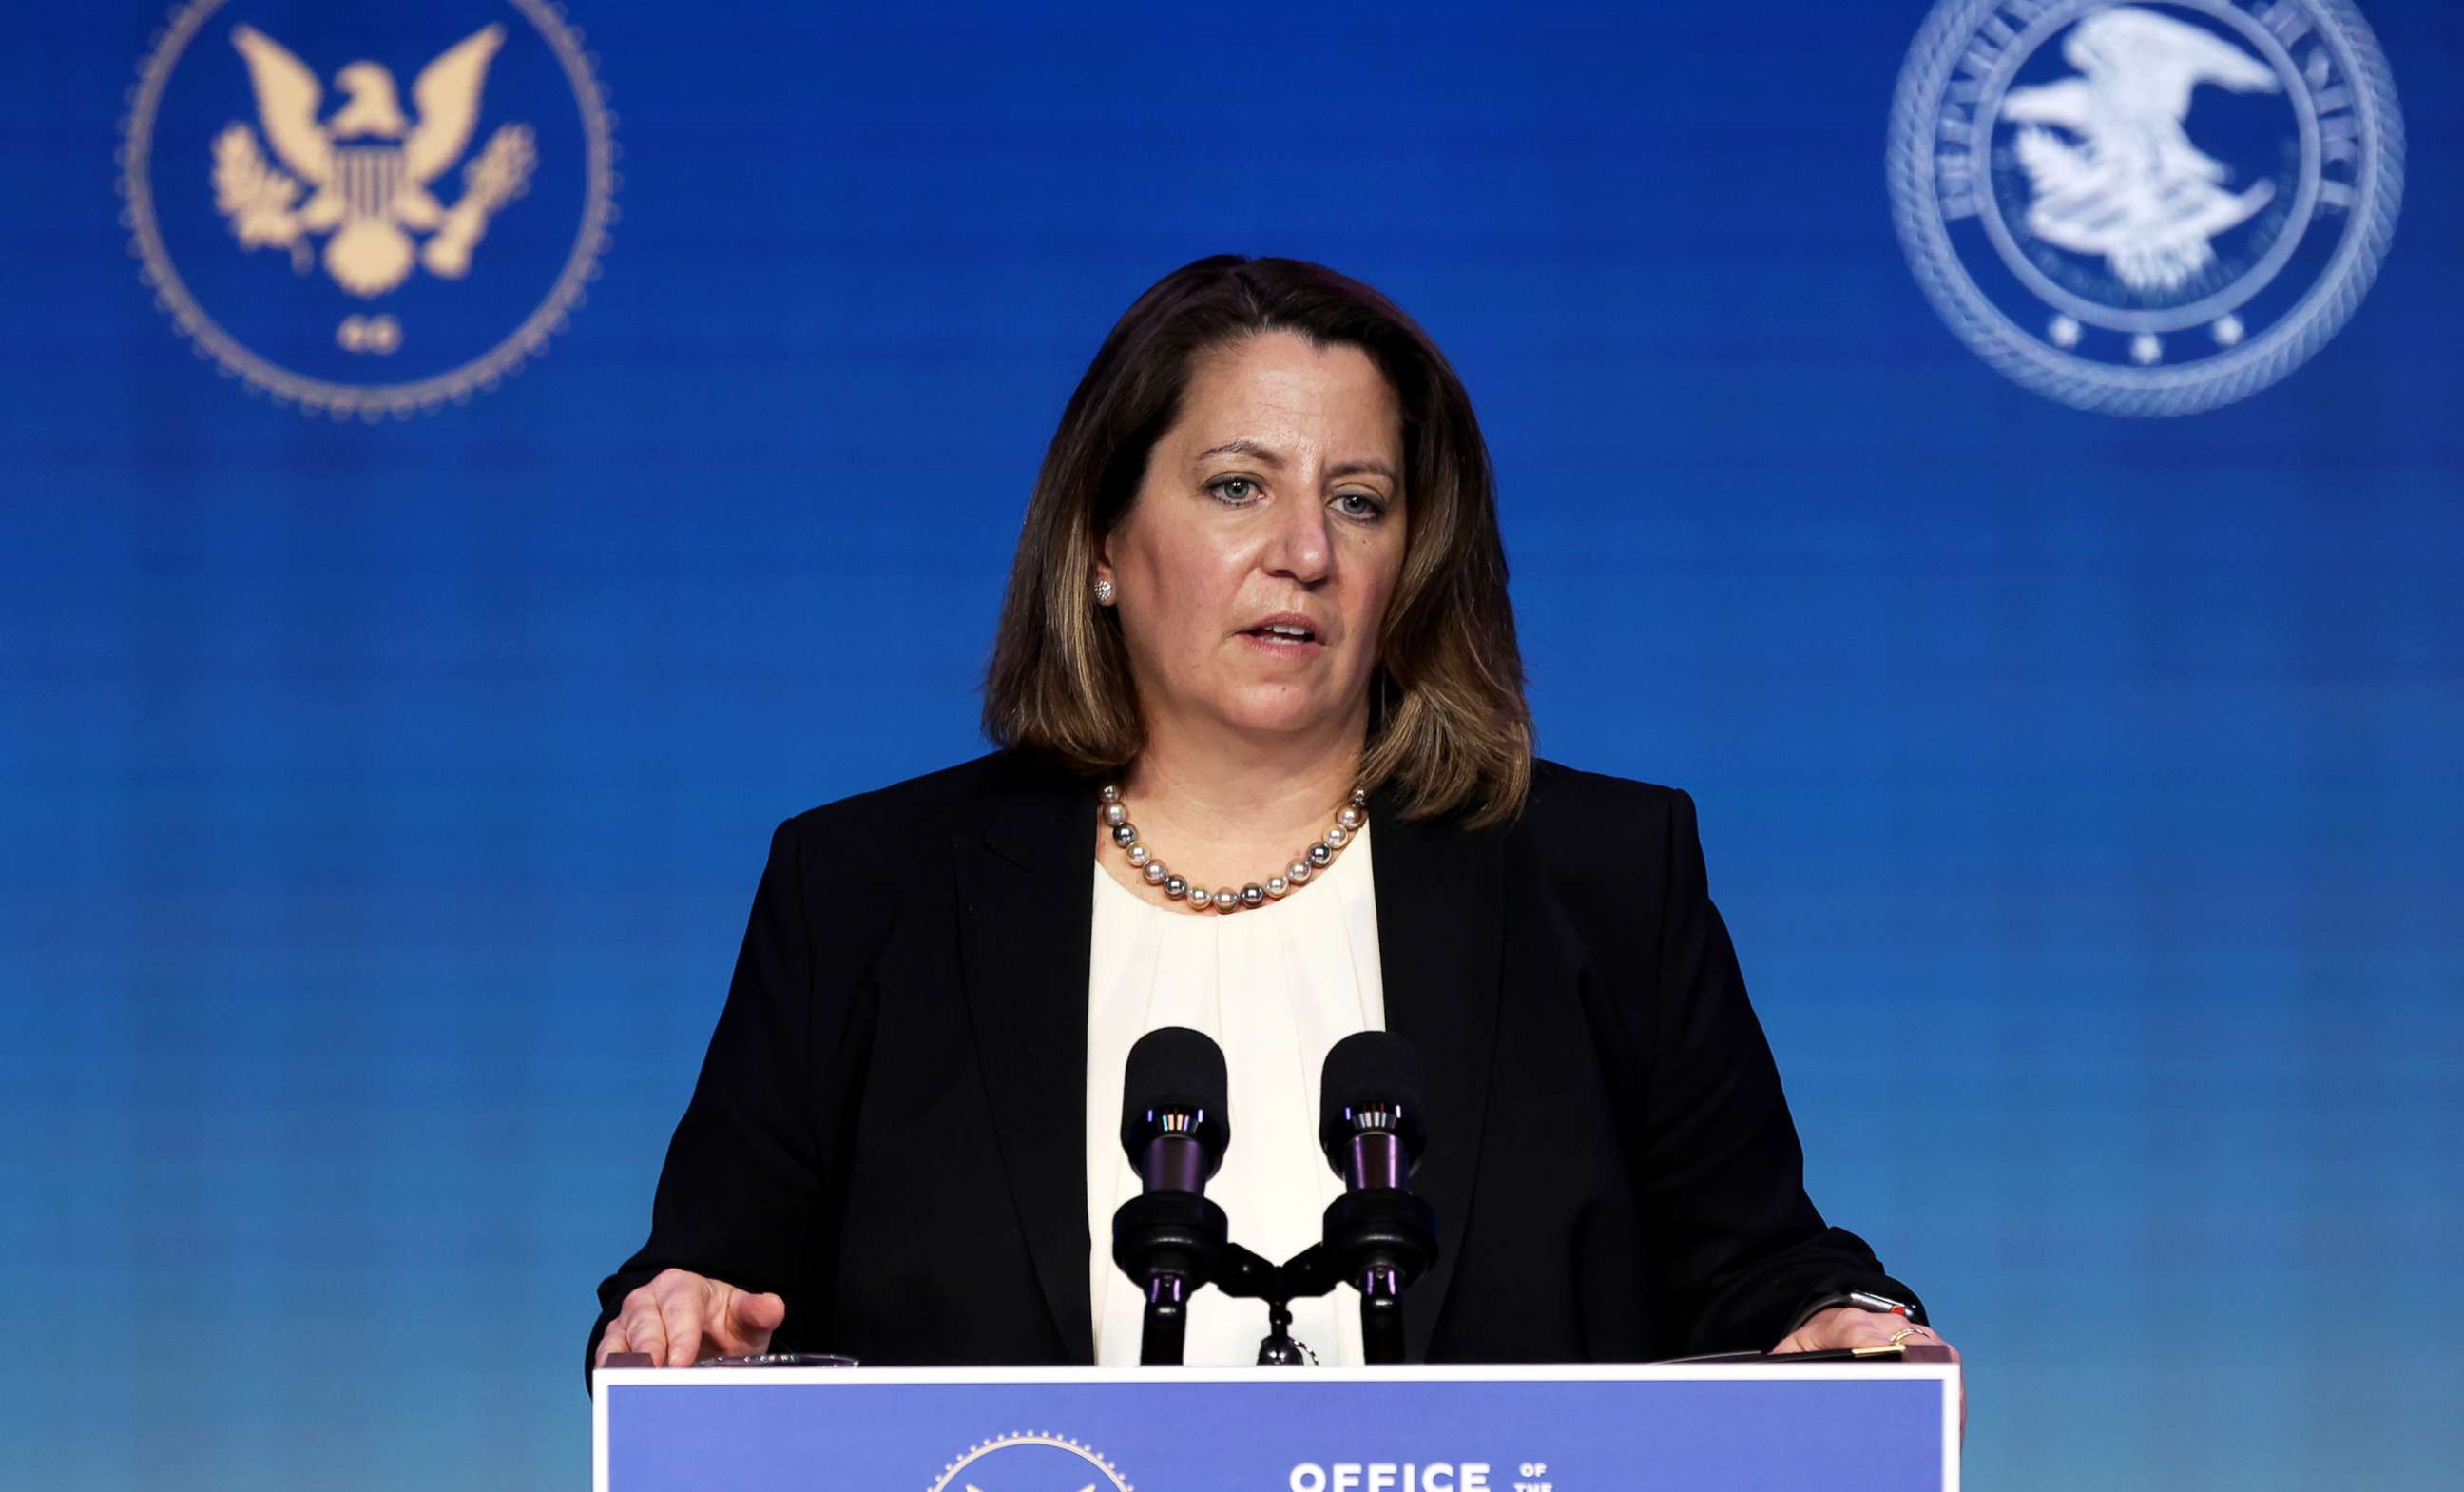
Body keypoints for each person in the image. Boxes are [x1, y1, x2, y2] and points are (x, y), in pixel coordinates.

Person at [587, 255, 1956, 1382]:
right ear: (1103, 545)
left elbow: (1758, 1267)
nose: (1304, 549)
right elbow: (709, 1277)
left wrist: (1836, 1325)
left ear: (1406, 566)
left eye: (1358, 502)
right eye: (1239, 485)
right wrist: (677, 1319)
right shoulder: (864, 890)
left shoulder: (1599, 877)